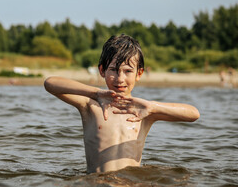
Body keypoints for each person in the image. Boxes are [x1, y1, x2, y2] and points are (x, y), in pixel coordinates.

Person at [44, 34, 200, 174]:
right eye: (113, 70)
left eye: (128, 71)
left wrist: (152, 106)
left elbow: (193, 114)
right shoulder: (90, 105)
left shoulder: (144, 111)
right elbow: (50, 83)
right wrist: (96, 93)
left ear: (139, 73)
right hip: (98, 182)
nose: (120, 79)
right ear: (102, 71)